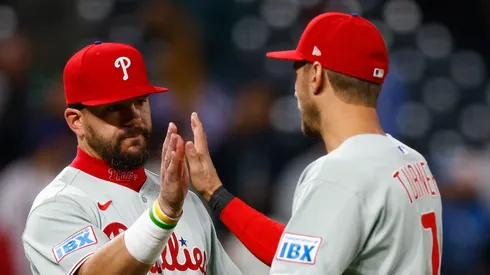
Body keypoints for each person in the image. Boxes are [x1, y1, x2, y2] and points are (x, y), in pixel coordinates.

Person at [184, 12, 443, 275]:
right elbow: (306, 248)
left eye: (298, 71)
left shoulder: (338, 174)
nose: (295, 90)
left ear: (316, 75)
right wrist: (217, 194)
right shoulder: (413, 161)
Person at [21, 41, 242, 275]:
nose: (134, 117)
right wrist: (164, 213)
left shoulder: (186, 201)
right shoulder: (58, 206)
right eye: (114, 107)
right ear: (76, 121)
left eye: (140, 102)